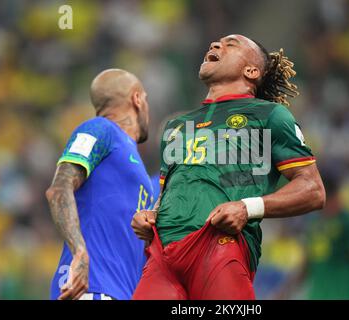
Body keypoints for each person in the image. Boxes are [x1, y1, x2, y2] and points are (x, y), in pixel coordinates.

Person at [131, 35, 325, 300]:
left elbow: (313, 189)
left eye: (230, 44)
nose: (214, 45)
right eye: (214, 43)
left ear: (251, 71)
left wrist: (248, 208)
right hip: (163, 254)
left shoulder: (270, 116)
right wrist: (152, 214)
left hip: (220, 245)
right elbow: (169, 194)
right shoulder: (175, 127)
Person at [46, 69, 154, 300]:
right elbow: (60, 187)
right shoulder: (100, 129)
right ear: (137, 98)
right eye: (146, 99)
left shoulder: (131, 161)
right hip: (93, 289)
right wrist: (80, 252)